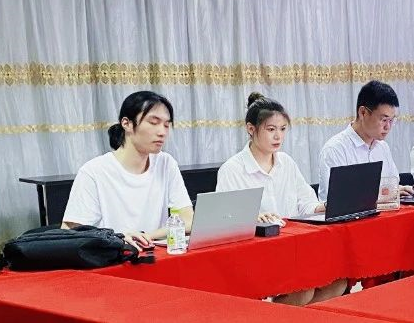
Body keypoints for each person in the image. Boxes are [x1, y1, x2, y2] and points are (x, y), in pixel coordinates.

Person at [217, 92, 343, 306]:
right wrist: (253, 218)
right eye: (271, 129)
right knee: (303, 290)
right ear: (251, 129)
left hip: (294, 248)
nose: (278, 136)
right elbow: (225, 220)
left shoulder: (287, 162)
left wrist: (325, 206)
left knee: (338, 282)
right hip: (258, 254)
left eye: (283, 129)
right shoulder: (232, 169)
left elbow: (306, 202)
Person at [61, 91, 193, 251]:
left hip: (154, 255)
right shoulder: (93, 172)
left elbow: (188, 220)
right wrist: (119, 239)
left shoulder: (166, 163)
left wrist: (146, 236)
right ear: (127, 123)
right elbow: (70, 234)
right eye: (154, 122)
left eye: (166, 125)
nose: (162, 132)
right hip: (112, 257)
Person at [317, 80, 414, 202]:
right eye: (384, 120)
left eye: (392, 120)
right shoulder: (335, 150)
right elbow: (338, 200)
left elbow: (390, 186)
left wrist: (399, 190)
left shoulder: (382, 147)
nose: (388, 127)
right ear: (363, 112)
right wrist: (384, 195)